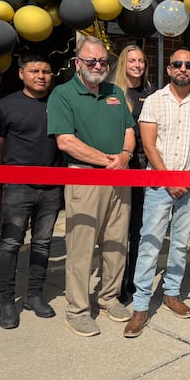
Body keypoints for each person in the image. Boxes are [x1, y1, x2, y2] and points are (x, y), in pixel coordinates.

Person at [123, 48, 190, 338]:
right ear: (169, 69)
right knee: (149, 243)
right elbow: (148, 146)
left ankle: (172, 293)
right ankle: (140, 305)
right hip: (158, 184)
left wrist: (189, 179)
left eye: (189, 65)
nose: (183, 68)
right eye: (178, 64)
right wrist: (167, 179)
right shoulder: (153, 101)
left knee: (179, 243)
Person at [47, 35, 135, 337]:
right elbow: (65, 141)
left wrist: (124, 156)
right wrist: (106, 160)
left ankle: (109, 297)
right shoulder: (63, 94)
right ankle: (77, 310)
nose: (98, 66)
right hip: (84, 179)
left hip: (119, 178)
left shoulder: (114, 92)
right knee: (81, 248)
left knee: (116, 243)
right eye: (91, 61)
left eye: (102, 61)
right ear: (77, 63)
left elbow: (128, 130)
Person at [0, 52, 63, 329]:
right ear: (21, 74)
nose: (41, 76)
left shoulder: (59, 103)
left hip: (51, 187)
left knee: (43, 243)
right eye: (35, 71)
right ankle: (7, 300)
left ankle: (34, 295)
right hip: (16, 188)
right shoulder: (6, 106)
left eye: (45, 71)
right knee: (10, 244)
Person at [111, 45, 157, 302]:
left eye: (141, 60)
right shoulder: (113, 92)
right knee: (118, 226)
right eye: (132, 61)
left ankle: (133, 281)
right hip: (120, 164)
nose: (137, 65)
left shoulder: (152, 93)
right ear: (123, 64)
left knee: (138, 227)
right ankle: (116, 282)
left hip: (144, 164)